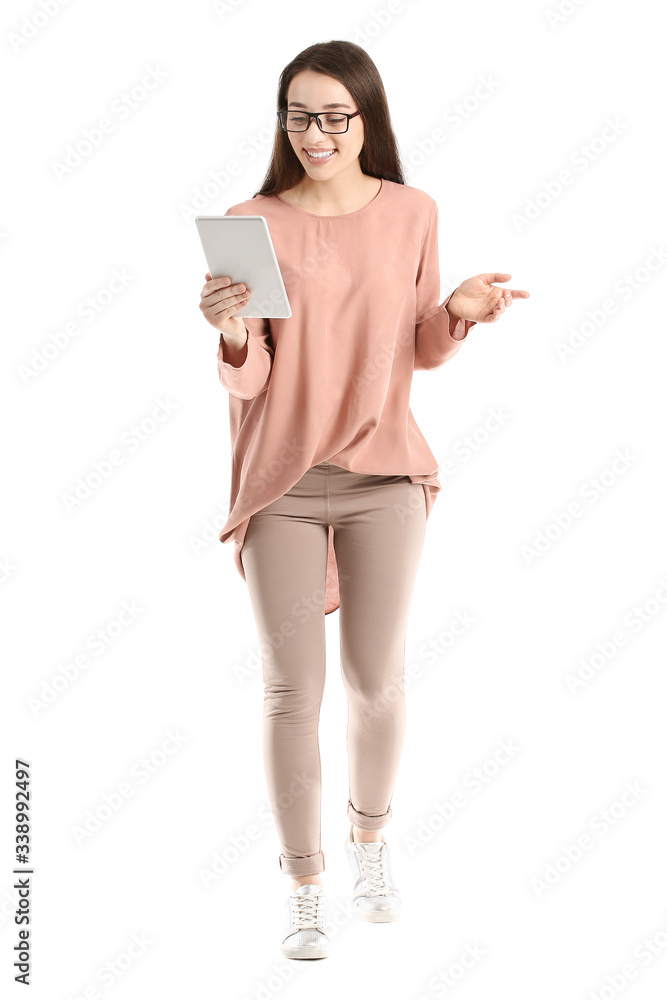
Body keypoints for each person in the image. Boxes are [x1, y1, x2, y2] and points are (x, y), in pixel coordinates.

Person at [199, 40, 529, 960]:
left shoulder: (412, 212)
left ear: (366, 120)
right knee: (289, 691)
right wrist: (231, 333)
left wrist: (457, 308)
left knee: (375, 683)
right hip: (283, 484)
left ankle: (369, 842)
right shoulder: (249, 221)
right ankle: (304, 884)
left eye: (334, 116)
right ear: (283, 123)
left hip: (386, 474)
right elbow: (254, 376)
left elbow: (415, 348)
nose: (315, 134)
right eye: (299, 116)